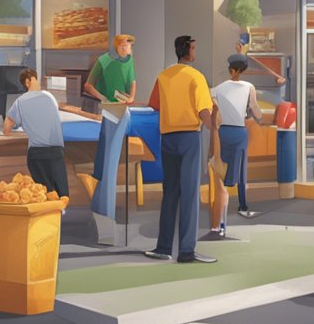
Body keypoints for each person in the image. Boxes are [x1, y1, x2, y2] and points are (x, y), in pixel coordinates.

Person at [144, 35, 218, 264]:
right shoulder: (196, 77)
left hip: (167, 138)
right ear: (188, 50)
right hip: (189, 138)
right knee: (190, 195)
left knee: (170, 193)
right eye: (194, 47)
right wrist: (214, 123)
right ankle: (186, 250)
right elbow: (204, 112)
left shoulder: (163, 76)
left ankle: (164, 247)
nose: (195, 51)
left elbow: (154, 105)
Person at [209, 54, 282, 235]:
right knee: (241, 171)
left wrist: (217, 107)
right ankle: (242, 205)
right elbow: (255, 108)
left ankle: (221, 217)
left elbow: (209, 99)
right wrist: (261, 121)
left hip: (224, 131)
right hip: (240, 131)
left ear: (231, 70)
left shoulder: (219, 88)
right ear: (242, 71)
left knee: (221, 170)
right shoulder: (249, 86)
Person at [2, 69, 71, 197]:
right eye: (35, 79)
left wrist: (24, 128)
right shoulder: (49, 98)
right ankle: (57, 216)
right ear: (27, 82)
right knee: (62, 195)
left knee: (44, 194)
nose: (38, 82)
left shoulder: (19, 102)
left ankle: (48, 215)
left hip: (37, 153)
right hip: (56, 152)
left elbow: (6, 129)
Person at [86, 34, 137, 182]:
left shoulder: (129, 61)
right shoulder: (104, 61)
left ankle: (109, 177)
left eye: (129, 45)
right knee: (106, 142)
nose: (128, 48)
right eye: (124, 45)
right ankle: (100, 177)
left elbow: (132, 81)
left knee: (116, 144)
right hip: (109, 109)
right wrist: (104, 98)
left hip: (122, 107)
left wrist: (132, 97)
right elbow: (88, 85)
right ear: (118, 46)